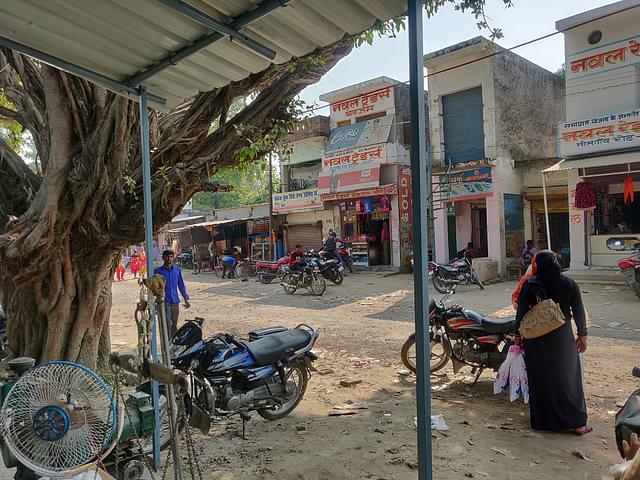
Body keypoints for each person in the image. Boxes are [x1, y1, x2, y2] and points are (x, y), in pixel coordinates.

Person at [515, 250, 590, 434]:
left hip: (536, 340)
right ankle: (578, 423)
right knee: (568, 379)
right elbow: (579, 312)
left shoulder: (531, 284)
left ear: (537, 265)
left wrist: (518, 336)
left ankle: (544, 422)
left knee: (541, 379)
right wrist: (583, 335)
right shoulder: (569, 283)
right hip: (562, 339)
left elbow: (521, 312)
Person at [154, 249, 190, 337]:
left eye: (171, 257)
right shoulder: (158, 271)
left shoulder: (177, 270)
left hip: (175, 301)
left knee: (174, 325)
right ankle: (167, 344)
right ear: (163, 258)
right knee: (167, 324)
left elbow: (181, 285)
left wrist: (186, 299)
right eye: (167, 256)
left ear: (173, 258)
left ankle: (172, 343)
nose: (169, 259)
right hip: (164, 302)